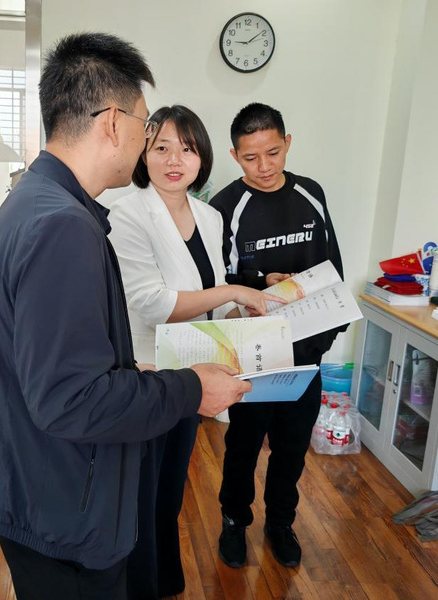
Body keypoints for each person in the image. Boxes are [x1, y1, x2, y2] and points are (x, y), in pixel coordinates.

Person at [0, 33, 252, 600]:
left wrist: (133, 373)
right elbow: (71, 400)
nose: (148, 142)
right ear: (114, 122)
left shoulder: (39, 199)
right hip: (60, 506)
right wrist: (192, 389)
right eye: (146, 125)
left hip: (39, 485)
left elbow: (53, 366)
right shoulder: (61, 226)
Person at [109, 105, 282, 598]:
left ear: (202, 157)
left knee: (169, 490)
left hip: (193, 375)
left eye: (186, 149)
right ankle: (138, 584)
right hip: (146, 373)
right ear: (143, 155)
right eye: (161, 148)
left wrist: (242, 311)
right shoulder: (127, 213)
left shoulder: (209, 216)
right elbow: (151, 303)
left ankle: (163, 581)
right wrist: (232, 291)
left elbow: (209, 298)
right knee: (141, 493)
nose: (174, 160)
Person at [210, 102, 347, 569]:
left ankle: (280, 523)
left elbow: (332, 267)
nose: (264, 166)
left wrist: (327, 337)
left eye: (273, 153)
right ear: (235, 156)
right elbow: (218, 281)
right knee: (243, 445)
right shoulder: (224, 207)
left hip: (306, 350)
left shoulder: (311, 193)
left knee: (292, 446)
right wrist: (261, 281)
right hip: (253, 352)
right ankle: (234, 521)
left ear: (287, 143)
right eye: (251, 158)